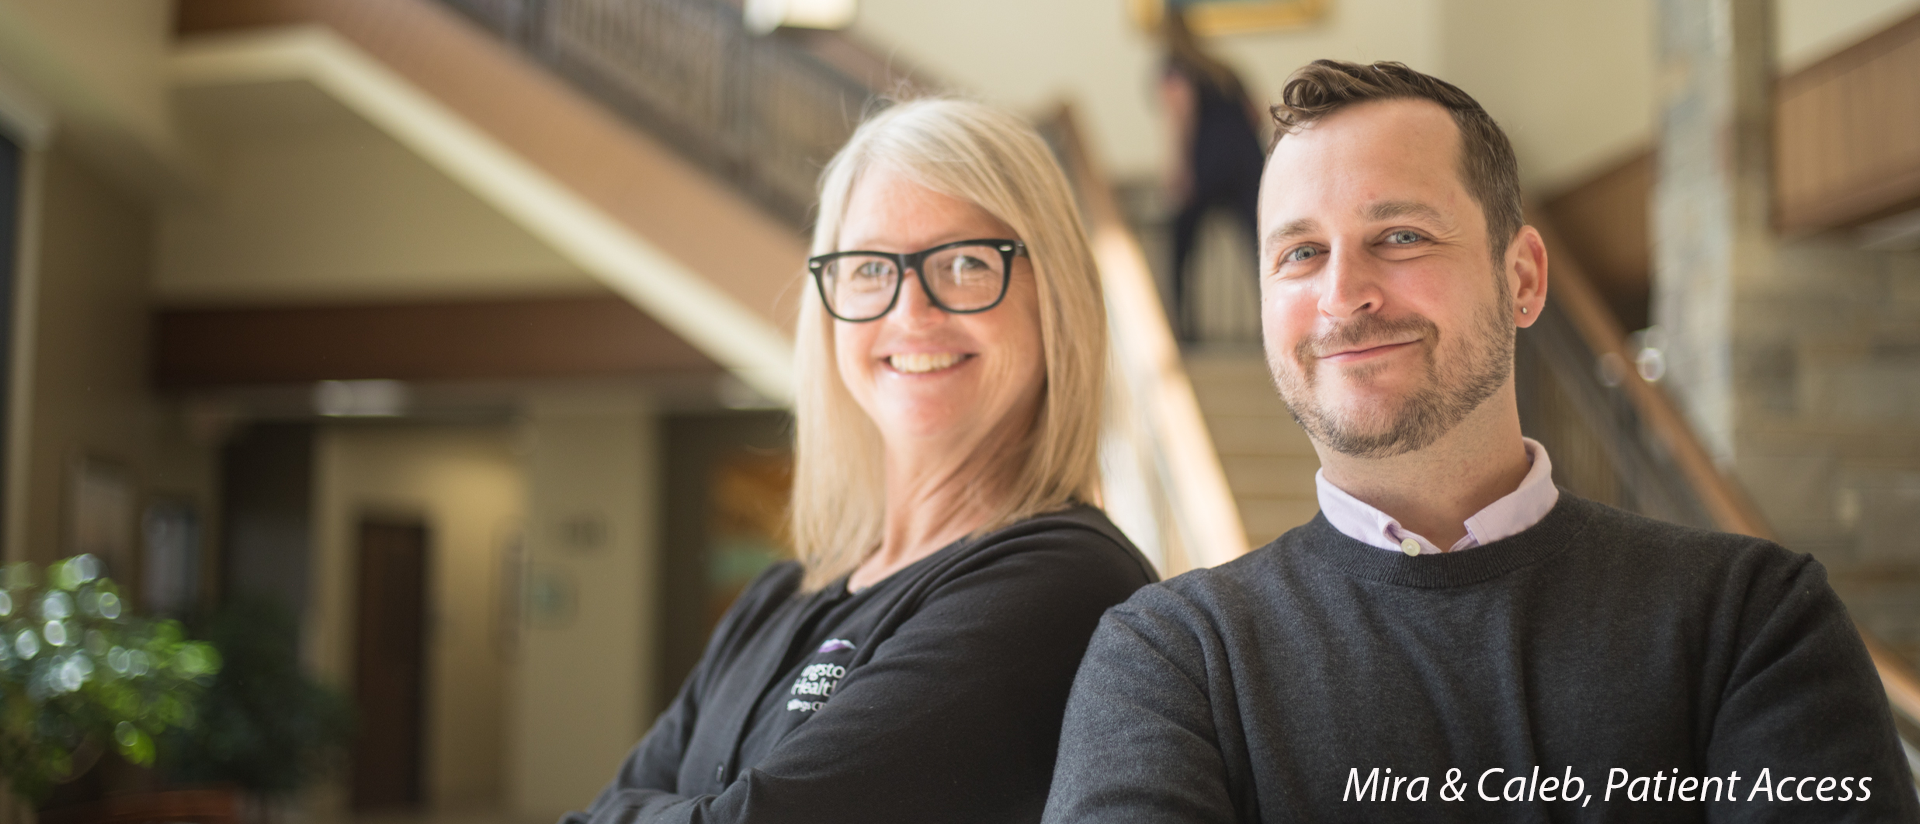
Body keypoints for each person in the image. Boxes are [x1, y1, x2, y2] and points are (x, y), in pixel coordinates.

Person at [1043, 60, 1918, 821]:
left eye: (1401, 236)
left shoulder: (1753, 620)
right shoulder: (1173, 660)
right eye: (1300, 254)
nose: (1343, 295)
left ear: (1524, 278)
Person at [560, 99, 1158, 824]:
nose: (910, 312)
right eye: (872, 268)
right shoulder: (781, 595)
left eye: (966, 262)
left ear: (1054, 297)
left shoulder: (1063, 581)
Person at [1158, 7, 1265, 341]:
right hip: (1247, 164)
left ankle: (1183, 331)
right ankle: (1275, 326)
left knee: (1182, 247)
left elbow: (1182, 118)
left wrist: (1180, 169)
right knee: (1263, 249)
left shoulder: (1174, 67)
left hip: (1206, 166)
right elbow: (1256, 115)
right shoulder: (1223, 68)